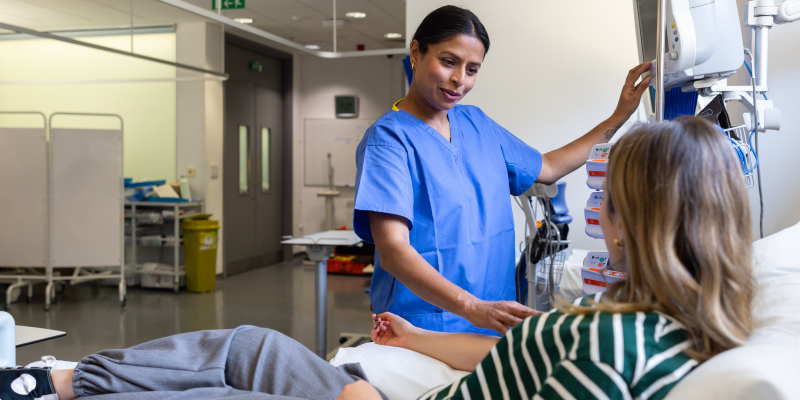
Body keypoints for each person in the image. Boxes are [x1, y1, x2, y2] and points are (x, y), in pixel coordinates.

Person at [0, 117, 754, 400]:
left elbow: (545, 166)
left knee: (222, 385)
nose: (597, 214)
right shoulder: (634, 314)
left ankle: (46, 388)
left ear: (639, 220)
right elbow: (391, 243)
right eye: (450, 61)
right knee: (245, 343)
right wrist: (422, 335)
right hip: (434, 341)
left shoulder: (618, 345)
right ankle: (53, 382)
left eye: (608, 201)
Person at [368, 117, 756, 399]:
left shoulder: (607, 350)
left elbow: (547, 167)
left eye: (605, 197)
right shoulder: (654, 314)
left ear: (624, 226)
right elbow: (525, 354)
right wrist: (413, 337)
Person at [353, 5, 653, 336]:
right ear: (416, 52)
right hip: (423, 327)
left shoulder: (477, 124)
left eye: (472, 69)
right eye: (448, 61)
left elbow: (549, 167)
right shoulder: (388, 141)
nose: (460, 80)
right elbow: (394, 251)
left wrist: (619, 116)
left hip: (493, 319)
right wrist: (471, 307)